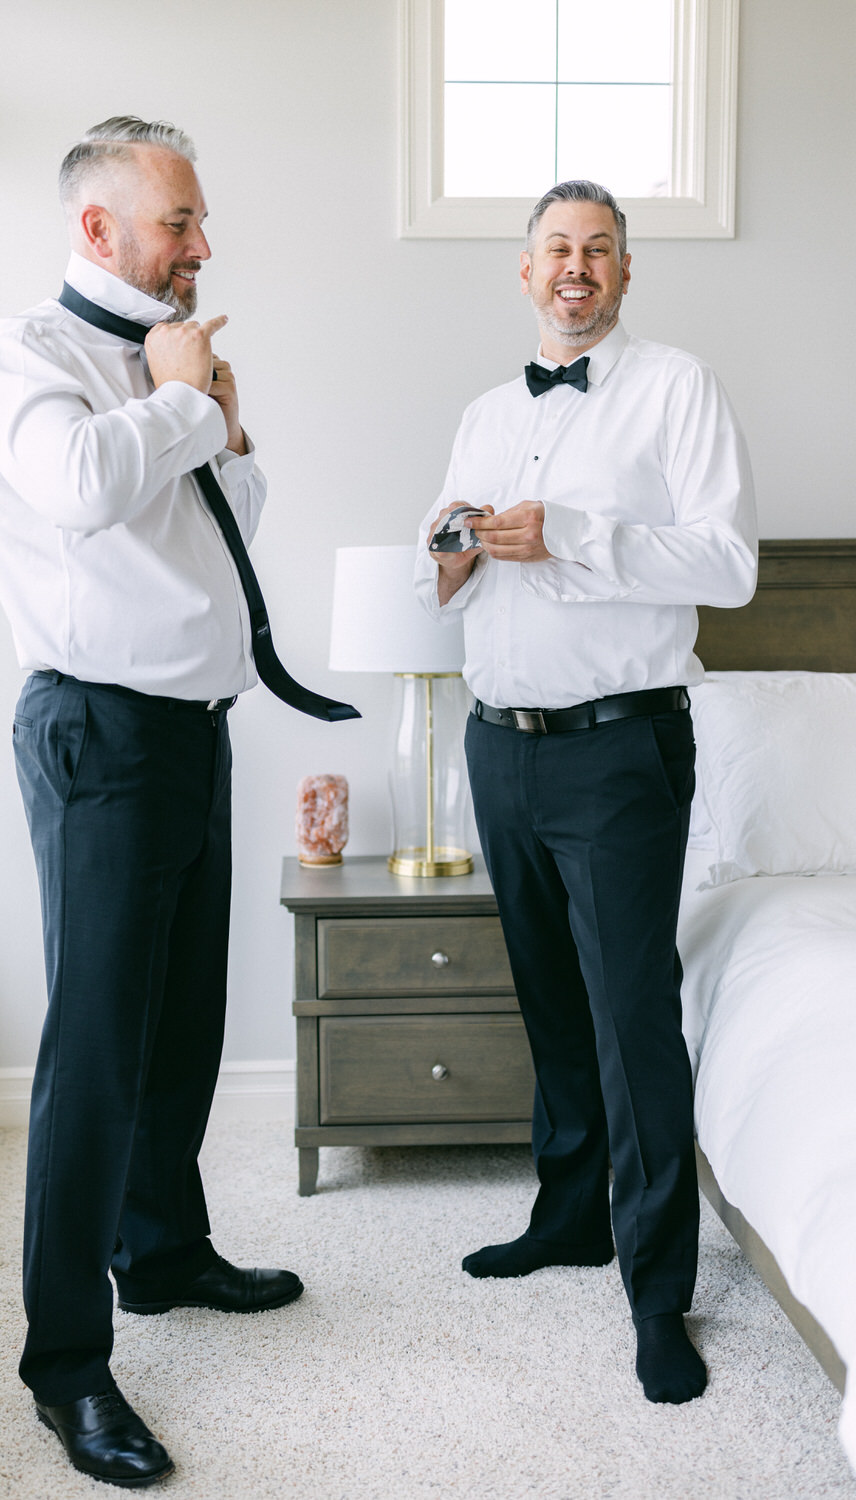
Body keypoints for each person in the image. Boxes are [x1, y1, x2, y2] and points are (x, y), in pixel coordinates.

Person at [0, 116, 316, 1488]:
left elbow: (242, 505)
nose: (202, 245)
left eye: (201, 221)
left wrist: (214, 411)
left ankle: (161, 1251)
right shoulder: (17, 359)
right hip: (96, 732)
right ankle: (67, 1366)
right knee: (95, 1053)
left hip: (190, 731)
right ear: (99, 229)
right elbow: (79, 487)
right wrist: (177, 394)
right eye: (180, 223)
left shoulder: (173, 362)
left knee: (181, 1025)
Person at [414, 180, 757, 1405]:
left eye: (598, 251)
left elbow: (729, 562)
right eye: (556, 249)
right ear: (523, 271)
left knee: (629, 1020)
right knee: (553, 1005)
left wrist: (571, 535)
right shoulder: (480, 414)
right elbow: (441, 571)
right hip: (498, 743)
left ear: (625, 272)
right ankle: (570, 1216)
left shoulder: (677, 391)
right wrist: (447, 547)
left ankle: (658, 1291)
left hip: (618, 753)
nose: (576, 268)